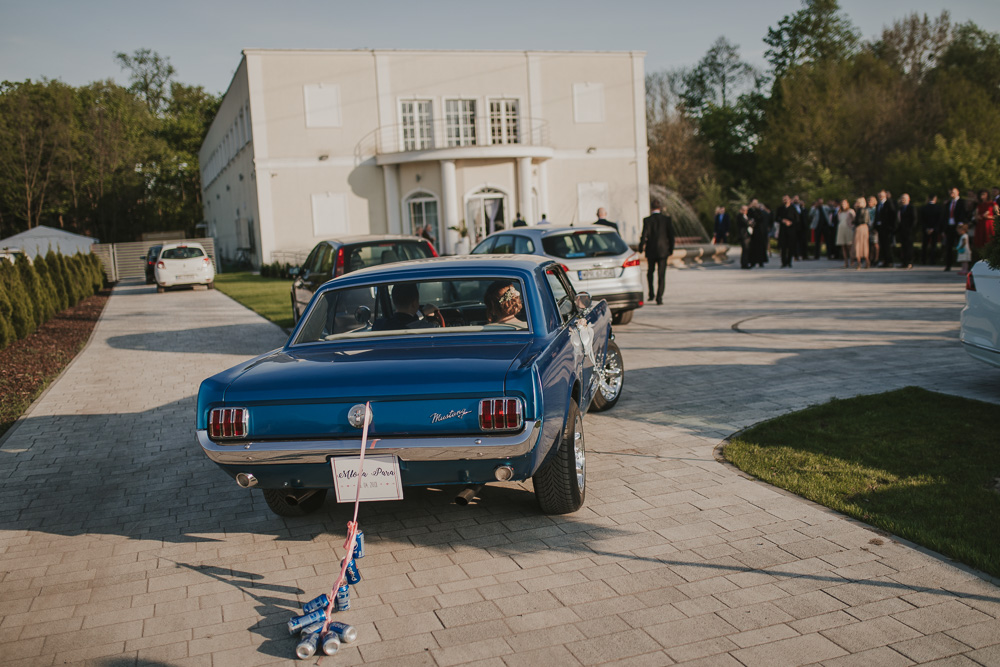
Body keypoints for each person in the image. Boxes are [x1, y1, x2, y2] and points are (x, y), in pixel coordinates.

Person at [639, 199, 676, 304]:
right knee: (661, 274)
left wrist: (641, 247)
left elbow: (644, 235)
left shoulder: (647, 220)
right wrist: (671, 249)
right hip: (663, 251)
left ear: (651, 208)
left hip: (651, 250)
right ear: (660, 208)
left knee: (650, 273)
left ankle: (651, 294)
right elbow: (671, 236)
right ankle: (659, 297)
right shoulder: (666, 219)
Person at [374, 283, 442, 330]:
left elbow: (403, 322)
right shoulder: (429, 328)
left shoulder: (378, 325)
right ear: (415, 303)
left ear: (393, 302)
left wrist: (421, 313)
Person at [944, 187, 969, 271]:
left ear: (958, 192)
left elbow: (964, 213)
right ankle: (948, 265)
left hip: (959, 227)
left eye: (953, 192)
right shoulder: (948, 203)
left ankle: (962, 266)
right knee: (949, 247)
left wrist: (961, 224)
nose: (952, 194)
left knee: (962, 245)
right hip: (949, 227)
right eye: (950, 192)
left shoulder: (962, 202)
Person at [873, 190, 896, 267]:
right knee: (882, 245)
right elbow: (877, 215)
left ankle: (890, 261)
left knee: (887, 245)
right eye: (879, 195)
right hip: (880, 228)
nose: (880, 197)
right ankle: (884, 261)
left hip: (887, 228)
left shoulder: (889, 203)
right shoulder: (878, 205)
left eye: (882, 195)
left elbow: (892, 215)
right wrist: (875, 226)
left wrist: (891, 227)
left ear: (885, 195)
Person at [775, 195, 799, 268]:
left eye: (786, 199)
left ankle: (789, 262)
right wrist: (782, 220)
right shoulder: (780, 209)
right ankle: (783, 262)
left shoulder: (793, 208)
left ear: (789, 200)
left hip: (791, 230)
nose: (785, 201)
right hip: (783, 230)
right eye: (784, 200)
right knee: (783, 247)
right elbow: (776, 218)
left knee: (790, 247)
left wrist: (791, 222)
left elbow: (797, 219)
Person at [920, 195, 942, 265]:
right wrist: (934, 228)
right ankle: (932, 260)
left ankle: (923, 260)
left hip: (926, 229)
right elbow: (939, 220)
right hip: (934, 229)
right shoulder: (938, 208)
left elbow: (922, 220)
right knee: (933, 246)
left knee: (924, 245)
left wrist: (926, 228)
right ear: (935, 199)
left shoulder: (923, 208)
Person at [897, 193, 916, 268]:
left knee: (909, 247)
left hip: (909, 230)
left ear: (909, 199)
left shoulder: (911, 207)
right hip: (902, 230)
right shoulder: (901, 208)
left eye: (904, 198)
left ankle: (910, 262)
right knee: (903, 247)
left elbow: (914, 219)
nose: (903, 200)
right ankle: (904, 262)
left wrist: (911, 228)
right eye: (902, 198)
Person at [835, 199, 856, 268]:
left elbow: (854, 220)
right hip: (841, 229)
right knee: (843, 246)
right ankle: (846, 262)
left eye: (844, 203)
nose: (843, 205)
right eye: (842, 204)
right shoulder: (839, 212)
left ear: (847, 204)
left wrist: (852, 226)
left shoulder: (850, 211)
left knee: (849, 246)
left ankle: (852, 260)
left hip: (848, 229)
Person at [851, 198, 869, 269]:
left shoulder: (864, 210)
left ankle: (865, 261)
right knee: (857, 245)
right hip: (859, 228)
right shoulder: (858, 210)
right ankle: (860, 262)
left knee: (861, 245)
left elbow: (865, 220)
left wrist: (855, 221)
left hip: (862, 227)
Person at [736, 205, 753, 269]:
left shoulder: (747, 216)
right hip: (743, 235)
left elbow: (751, 223)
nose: (745, 211)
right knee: (745, 249)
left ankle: (746, 262)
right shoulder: (739, 216)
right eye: (744, 210)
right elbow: (746, 223)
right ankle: (744, 264)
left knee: (747, 250)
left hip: (747, 235)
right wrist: (749, 223)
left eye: (746, 210)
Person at [867, 196, 879, 266]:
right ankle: (870, 258)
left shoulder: (876, 209)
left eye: (871, 201)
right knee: (870, 244)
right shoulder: (867, 209)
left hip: (874, 227)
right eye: (868, 201)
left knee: (875, 243)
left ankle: (876, 258)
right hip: (868, 227)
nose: (869, 202)